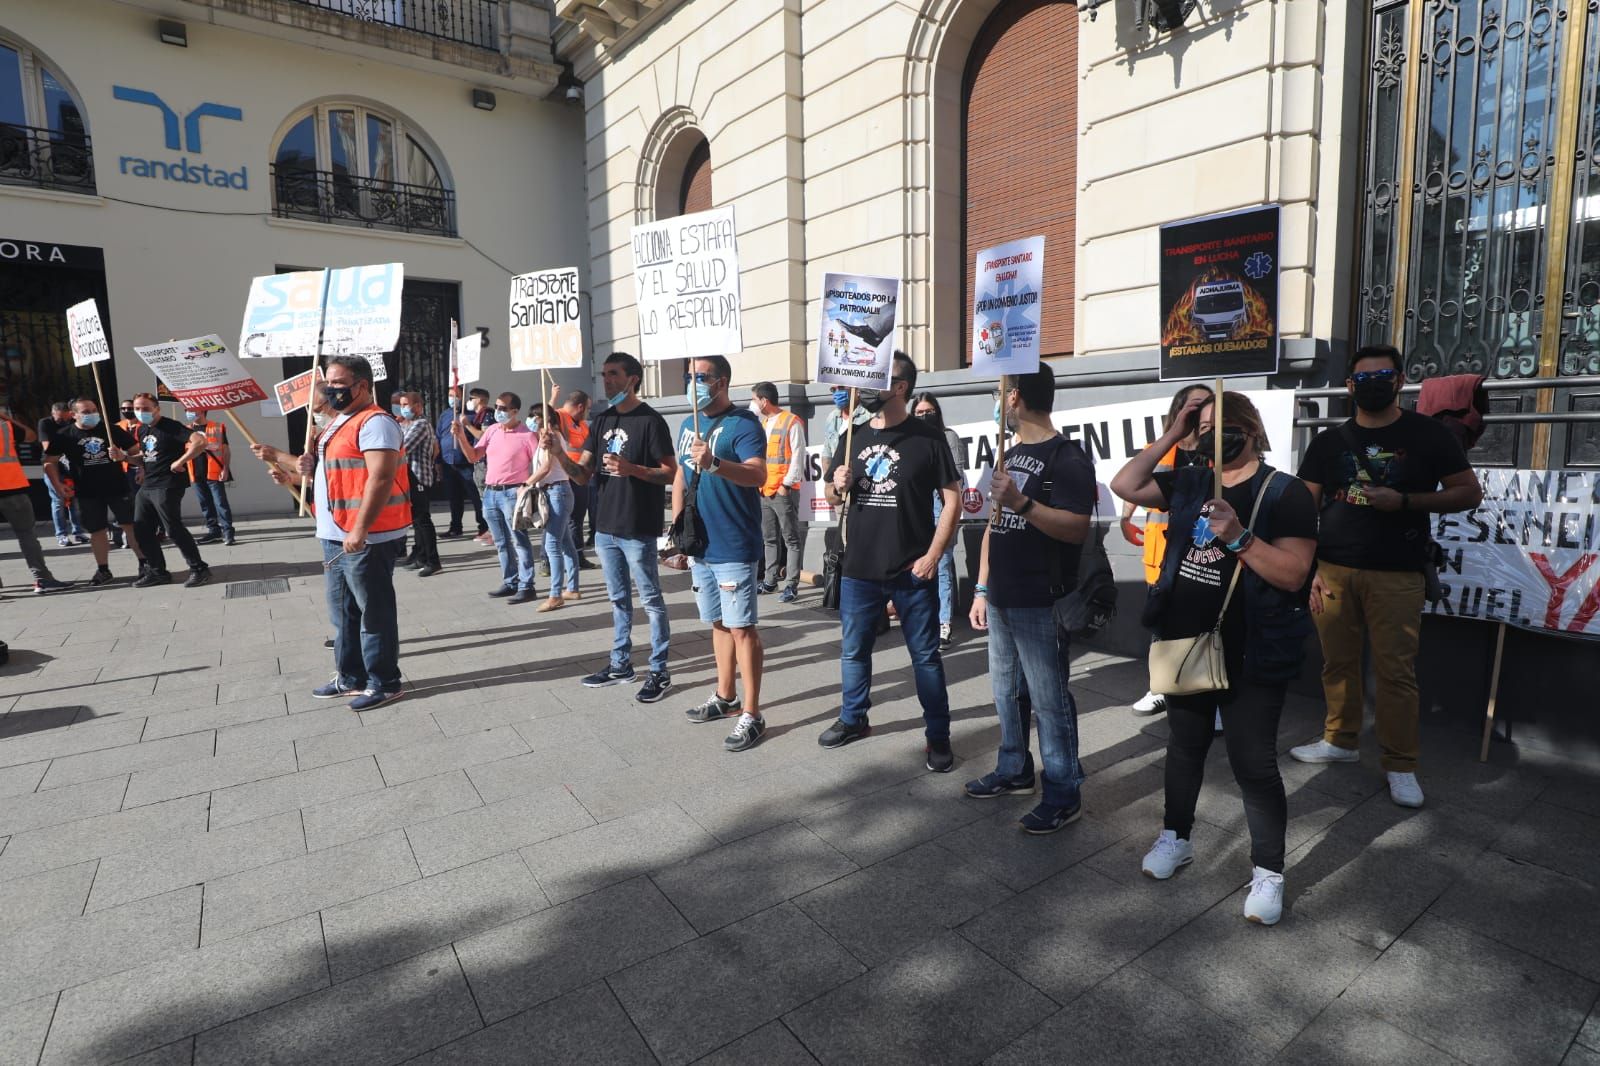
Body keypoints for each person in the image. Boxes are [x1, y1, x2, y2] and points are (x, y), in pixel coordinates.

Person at [1110, 390, 1318, 926]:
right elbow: (1125, 485)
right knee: (1184, 749)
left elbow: (1294, 573)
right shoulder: (1190, 480)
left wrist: (1240, 537)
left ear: (1250, 429)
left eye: (1218, 424)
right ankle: (1175, 838)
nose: (1210, 434)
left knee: (1254, 764)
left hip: (1253, 650)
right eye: (1201, 426)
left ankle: (1268, 871)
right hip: (1188, 642)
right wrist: (1174, 435)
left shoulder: (1285, 492)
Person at [1290, 344, 1483, 809]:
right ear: (1351, 386)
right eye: (1362, 378)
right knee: (1336, 663)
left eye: (1383, 375)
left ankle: (1400, 764)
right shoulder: (1327, 442)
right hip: (1334, 570)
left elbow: (1467, 493)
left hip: (1398, 573)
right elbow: (1301, 507)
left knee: (1396, 673)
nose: (1372, 384)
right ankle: (1340, 740)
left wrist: (1407, 502)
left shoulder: (1429, 435)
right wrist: (1308, 568)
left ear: (1399, 380)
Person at [965, 366, 1095, 832]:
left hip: (1041, 600)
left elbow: (1076, 526)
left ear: (1015, 397)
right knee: (1006, 693)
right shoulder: (1009, 454)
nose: (996, 403)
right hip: (1001, 597)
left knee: (1049, 699)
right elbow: (992, 529)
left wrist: (1023, 503)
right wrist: (982, 587)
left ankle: (1063, 791)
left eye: (998, 394)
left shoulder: (1068, 457)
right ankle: (1014, 769)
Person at [819, 353, 961, 770]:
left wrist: (934, 555)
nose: (863, 389)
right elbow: (831, 497)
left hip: (911, 571)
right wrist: (835, 486)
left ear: (900, 387)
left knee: (926, 657)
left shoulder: (928, 439)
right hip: (859, 570)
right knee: (853, 651)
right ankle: (853, 718)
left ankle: (938, 736)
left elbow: (952, 499)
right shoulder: (853, 435)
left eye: (875, 379)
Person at [251, 356, 410, 711]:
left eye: (338, 384)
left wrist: (360, 528)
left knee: (373, 612)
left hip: (364, 536)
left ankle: (385, 682)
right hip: (334, 533)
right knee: (343, 612)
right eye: (328, 384)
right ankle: (350, 677)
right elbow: (331, 473)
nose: (330, 390)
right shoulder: (338, 423)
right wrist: (292, 472)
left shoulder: (376, 423)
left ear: (363, 385)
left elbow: (380, 478)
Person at [546, 351, 676, 704]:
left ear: (633, 378)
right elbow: (583, 472)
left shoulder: (651, 421)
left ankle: (659, 670)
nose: (607, 380)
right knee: (618, 600)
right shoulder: (601, 421)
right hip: (605, 527)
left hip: (637, 526)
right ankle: (620, 665)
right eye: (604, 374)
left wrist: (632, 469)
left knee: (650, 600)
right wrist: (559, 453)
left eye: (614, 374)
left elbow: (670, 472)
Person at [676, 358, 770, 751]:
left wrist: (714, 463)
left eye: (701, 378)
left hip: (733, 542)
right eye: (689, 377)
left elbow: (758, 474)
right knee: (717, 622)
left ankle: (752, 712)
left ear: (722, 382)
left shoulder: (743, 424)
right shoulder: (685, 424)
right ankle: (725, 694)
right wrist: (677, 531)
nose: (693, 384)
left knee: (741, 627)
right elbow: (680, 475)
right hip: (701, 544)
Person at [1121, 384, 1214, 719]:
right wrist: (1125, 515)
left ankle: (1210, 693)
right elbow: (1137, 483)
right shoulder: (1159, 449)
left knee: (1207, 627)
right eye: (1193, 405)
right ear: (1179, 410)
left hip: (1205, 556)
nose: (1199, 411)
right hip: (1162, 558)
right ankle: (1159, 687)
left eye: (1206, 405)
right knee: (1161, 626)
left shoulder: (1216, 452)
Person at [42, 399, 145, 586]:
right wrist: (58, 485)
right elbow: (50, 461)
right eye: (86, 411)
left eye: (94, 410)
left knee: (130, 525)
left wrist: (132, 463)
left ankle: (144, 564)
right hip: (86, 491)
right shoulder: (65, 435)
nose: (92, 414)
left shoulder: (110, 429)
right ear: (74, 415)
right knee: (97, 531)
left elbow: (136, 451)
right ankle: (103, 569)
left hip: (117, 486)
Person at [453, 391, 540, 604]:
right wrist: (461, 436)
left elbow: (540, 463)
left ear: (514, 411)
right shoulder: (491, 430)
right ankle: (510, 581)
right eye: (497, 407)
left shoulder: (527, 435)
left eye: (503, 408)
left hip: (512, 493)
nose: (498, 411)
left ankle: (527, 585)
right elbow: (475, 455)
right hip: (491, 492)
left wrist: (528, 486)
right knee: (501, 542)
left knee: (519, 540)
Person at [128, 393, 213, 589]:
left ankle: (199, 569)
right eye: (137, 409)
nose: (141, 412)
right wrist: (125, 457)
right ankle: (158, 572)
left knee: (172, 528)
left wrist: (181, 461)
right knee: (141, 530)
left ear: (157, 408)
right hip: (148, 485)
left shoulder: (171, 426)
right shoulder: (142, 430)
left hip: (168, 484)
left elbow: (200, 442)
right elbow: (145, 456)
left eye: (146, 408)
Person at [912, 394, 971, 646]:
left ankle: (943, 622)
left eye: (929, 411)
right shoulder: (911, 440)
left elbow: (955, 482)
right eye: (919, 413)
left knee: (942, 565)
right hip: (917, 507)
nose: (925, 416)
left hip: (942, 505)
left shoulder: (949, 437)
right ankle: (925, 618)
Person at [0, 407, 71, 593]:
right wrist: (6, 416)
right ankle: (42, 579)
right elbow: (31, 436)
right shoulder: (5, 426)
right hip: (12, 488)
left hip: (13, 489)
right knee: (27, 535)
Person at [752, 381, 807, 603]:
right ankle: (770, 581)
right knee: (769, 539)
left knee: (791, 539)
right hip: (765, 490)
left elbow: (798, 455)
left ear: (764, 401)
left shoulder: (791, 422)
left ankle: (791, 585)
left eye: (754, 399)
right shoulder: (764, 423)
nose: (753, 404)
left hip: (782, 490)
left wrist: (786, 484)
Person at [528, 403, 581, 611]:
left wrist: (526, 484)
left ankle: (555, 594)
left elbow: (546, 467)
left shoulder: (553, 437)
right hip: (553, 491)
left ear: (544, 418)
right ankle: (573, 588)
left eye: (535, 416)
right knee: (566, 542)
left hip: (557, 492)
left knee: (552, 545)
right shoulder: (545, 437)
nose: (532, 420)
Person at [395, 391, 441, 577]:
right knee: (415, 520)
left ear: (418, 406)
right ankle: (420, 556)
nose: (403, 408)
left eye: (406, 404)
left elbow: (402, 446)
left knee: (423, 520)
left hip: (419, 477)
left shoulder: (421, 424)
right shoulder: (408, 424)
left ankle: (433, 560)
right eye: (401, 404)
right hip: (408, 477)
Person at [436, 386, 487, 540]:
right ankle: (455, 527)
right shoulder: (445, 415)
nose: (453, 398)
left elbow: (480, 438)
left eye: (456, 395)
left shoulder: (471, 415)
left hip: (466, 462)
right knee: (453, 497)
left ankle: (483, 528)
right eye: (450, 395)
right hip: (448, 462)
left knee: (475, 496)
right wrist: (438, 463)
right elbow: (438, 437)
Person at [553, 387, 596, 567]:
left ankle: (578, 556)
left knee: (577, 518)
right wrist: (553, 397)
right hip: (564, 474)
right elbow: (547, 416)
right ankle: (553, 560)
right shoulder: (560, 415)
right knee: (562, 519)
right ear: (580, 407)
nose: (588, 412)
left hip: (581, 476)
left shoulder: (583, 424)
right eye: (588, 408)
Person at [184, 409, 237, 547]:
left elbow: (225, 450)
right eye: (186, 410)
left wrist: (225, 468)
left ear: (202, 411)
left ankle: (228, 531)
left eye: (191, 410)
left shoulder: (217, 427)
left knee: (220, 503)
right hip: (195, 473)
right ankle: (213, 531)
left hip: (214, 472)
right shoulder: (186, 429)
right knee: (205, 504)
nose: (188, 413)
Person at [40, 402, 87, 546]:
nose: (64, 422)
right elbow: (47, 447)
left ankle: (78, 532)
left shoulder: (72, 422)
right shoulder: (45, 423)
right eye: (60, 419)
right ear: (53, 414)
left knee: (75, 502)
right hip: (54, 467)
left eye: (66, 419)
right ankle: (61, 534)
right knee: (58, 502)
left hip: (71, 467)